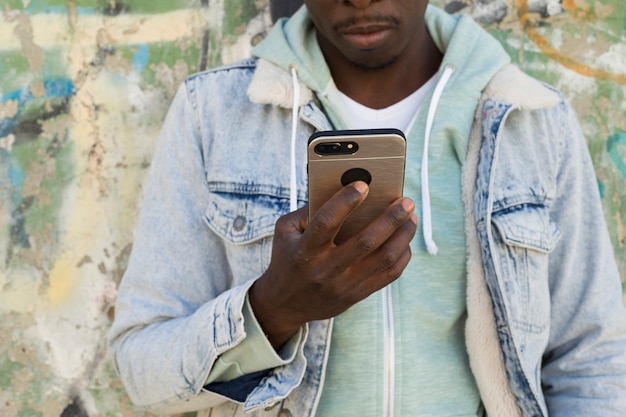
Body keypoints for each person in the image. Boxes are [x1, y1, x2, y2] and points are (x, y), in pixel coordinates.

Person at [108, 0, 626, 416]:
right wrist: (272, 309)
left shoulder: (529, 117)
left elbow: (593, 360)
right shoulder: (215, 112)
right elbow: (141, 370)